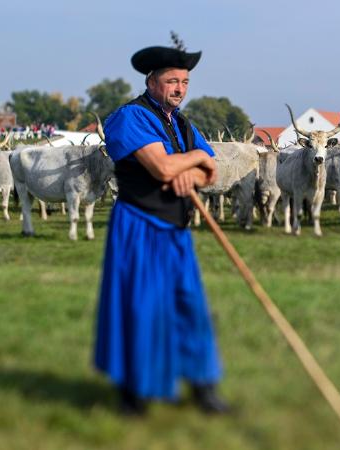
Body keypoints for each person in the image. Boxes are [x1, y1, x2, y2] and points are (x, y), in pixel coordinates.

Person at [94, 40, 230, 416]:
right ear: (152, 81)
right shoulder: (130, 117)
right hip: (140, 225)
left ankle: (203, 387)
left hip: (175, 230)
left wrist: (194, 166)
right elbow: (164, 169)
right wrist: (195, 159)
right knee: (142, 309)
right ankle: (133, 394)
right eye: (172, 81)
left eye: (185, 82)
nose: (180, 89)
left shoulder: (184, 124)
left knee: (189, 306)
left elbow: (211, 172)